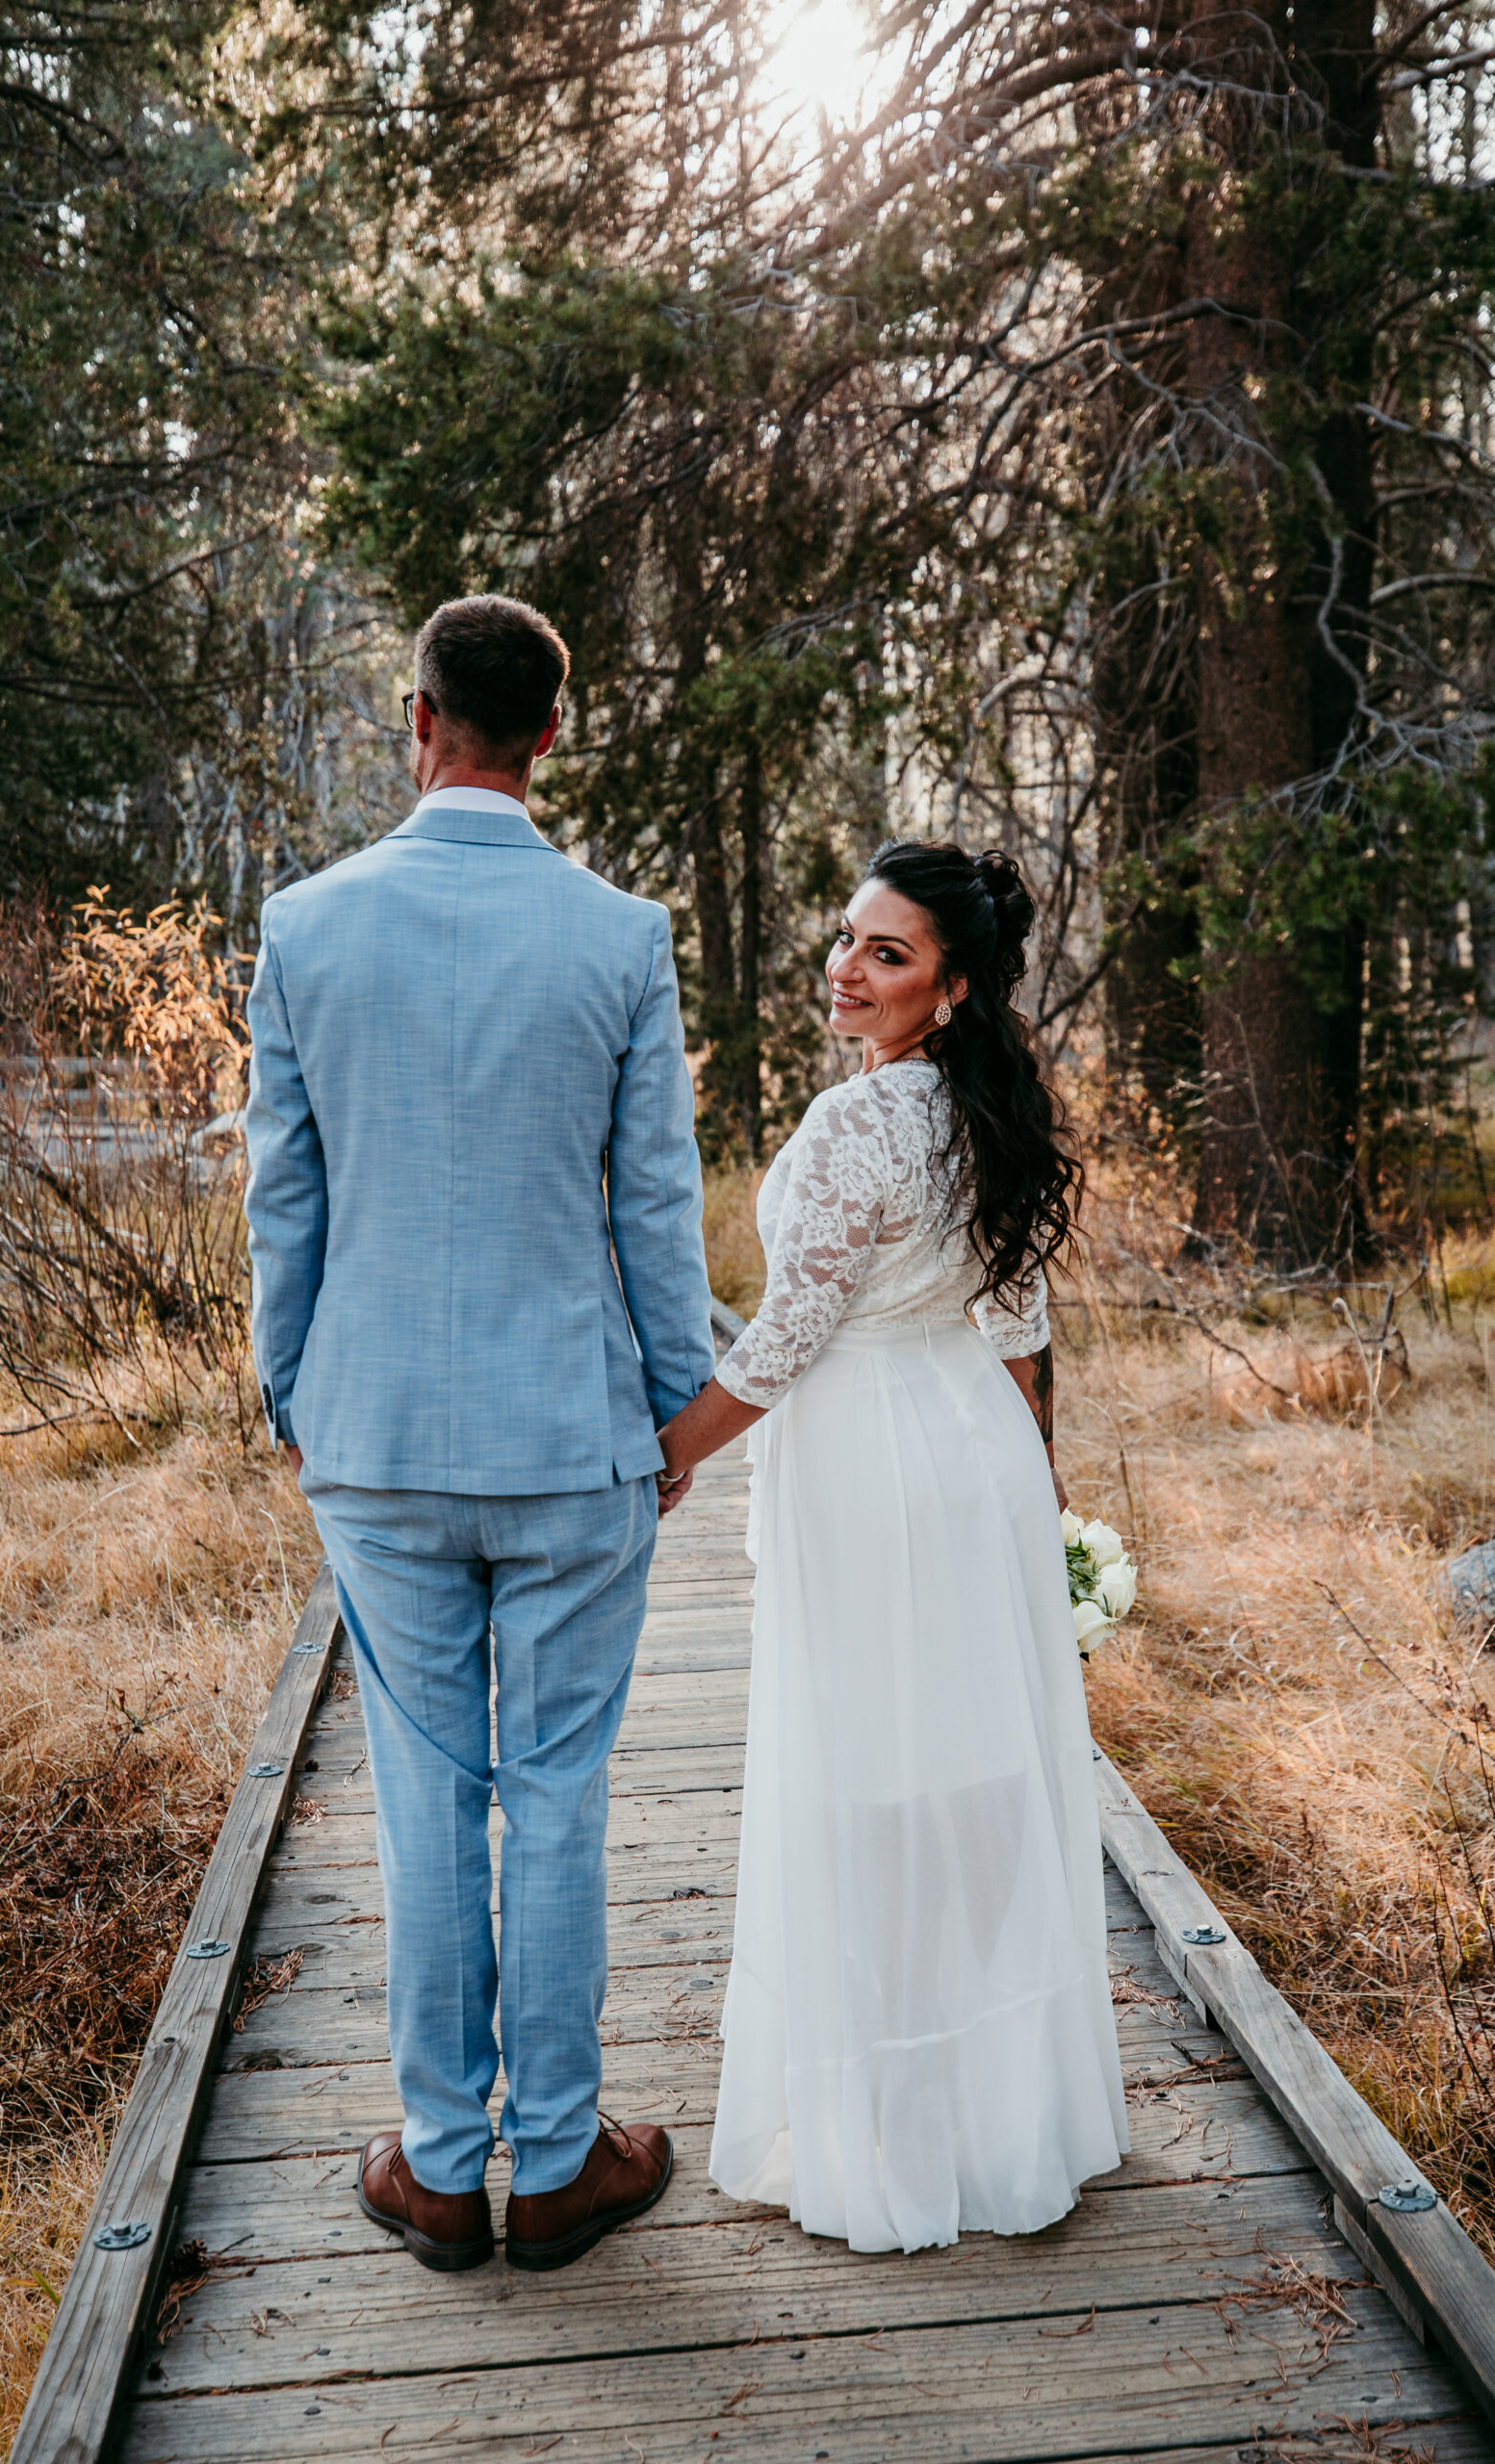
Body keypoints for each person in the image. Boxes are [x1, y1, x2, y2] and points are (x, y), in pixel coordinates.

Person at [244, 594, 713, 2273]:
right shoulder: (620, 936)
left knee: (426, 1798)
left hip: (375, 1436)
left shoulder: (304, 928)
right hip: (573, 1438)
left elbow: (282, 1193)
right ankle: (567, 2151)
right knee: (562, 1793)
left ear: (417, 713)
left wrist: (288, 1387)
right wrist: (679, 1410)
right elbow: (656, 1200)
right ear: (553, 734)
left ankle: (441, 2168)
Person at [656, 839, 1130, 2253]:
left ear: (955, 986)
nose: (848, 971)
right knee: (973, 1766)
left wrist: (663, 1457)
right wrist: (1035, 1479)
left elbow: (790, 1339)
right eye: (851, 940)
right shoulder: (988, 1109)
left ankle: (901, 2128)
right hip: (973, 1448)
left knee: (870, 1774)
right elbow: (1020, 1321)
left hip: (868, 1459)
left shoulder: (859, 1126)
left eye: (889, 955)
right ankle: (995, 2105)